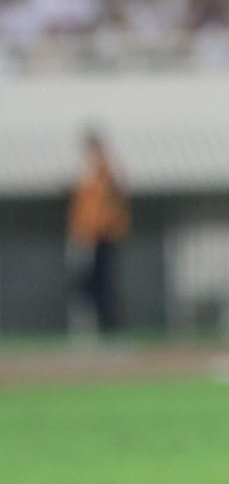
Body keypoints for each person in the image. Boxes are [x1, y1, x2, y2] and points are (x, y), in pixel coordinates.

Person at [66, 130, 129, 336]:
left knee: (103, 285)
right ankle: (97, 328)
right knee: (87, 284)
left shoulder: (105, 170)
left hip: (104, 236)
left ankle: (110, 328)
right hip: (89, 236)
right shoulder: (89, 172)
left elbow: (113, 200)